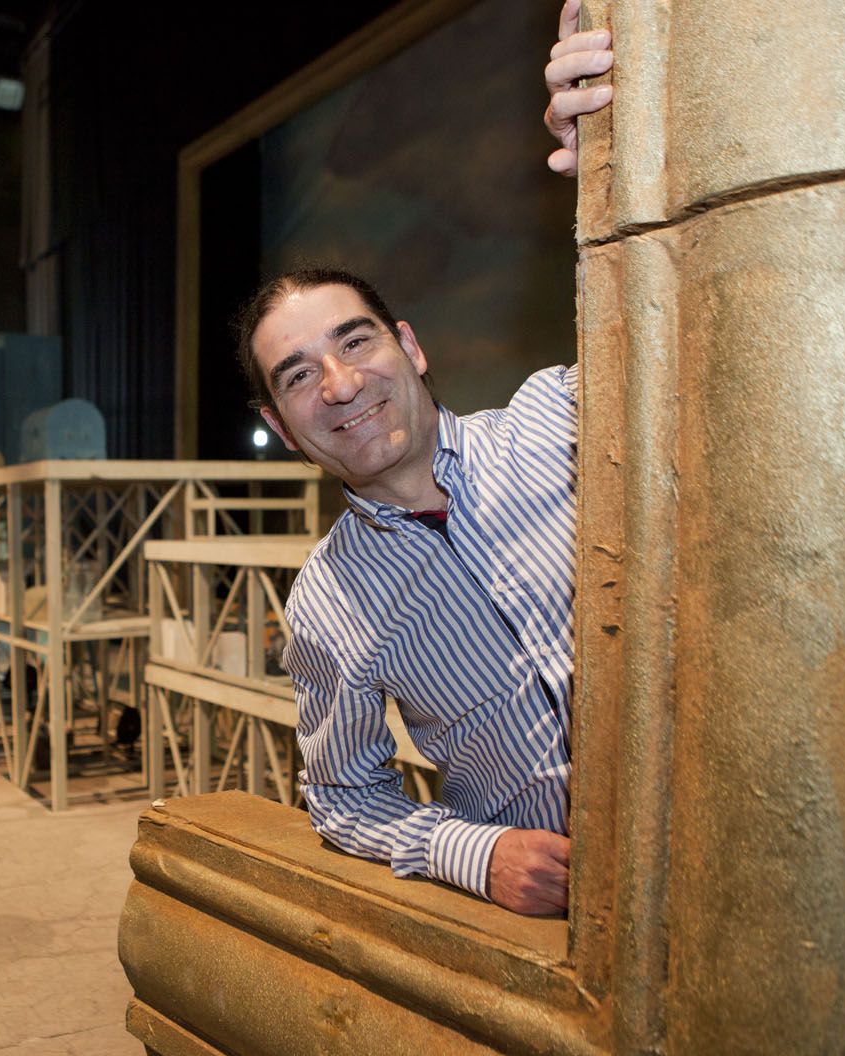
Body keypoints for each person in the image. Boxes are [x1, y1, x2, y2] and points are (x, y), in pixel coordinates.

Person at [233, 2, 612, 917]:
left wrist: (612, 149)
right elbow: (342, 796)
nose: (339, 385)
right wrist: (476, 854)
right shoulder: (326, 606)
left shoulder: (560, 421)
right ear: (283, 425)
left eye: (356, 341)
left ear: (409, 345)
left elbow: (678, 330)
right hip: (552, 928)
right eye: (298, 375)